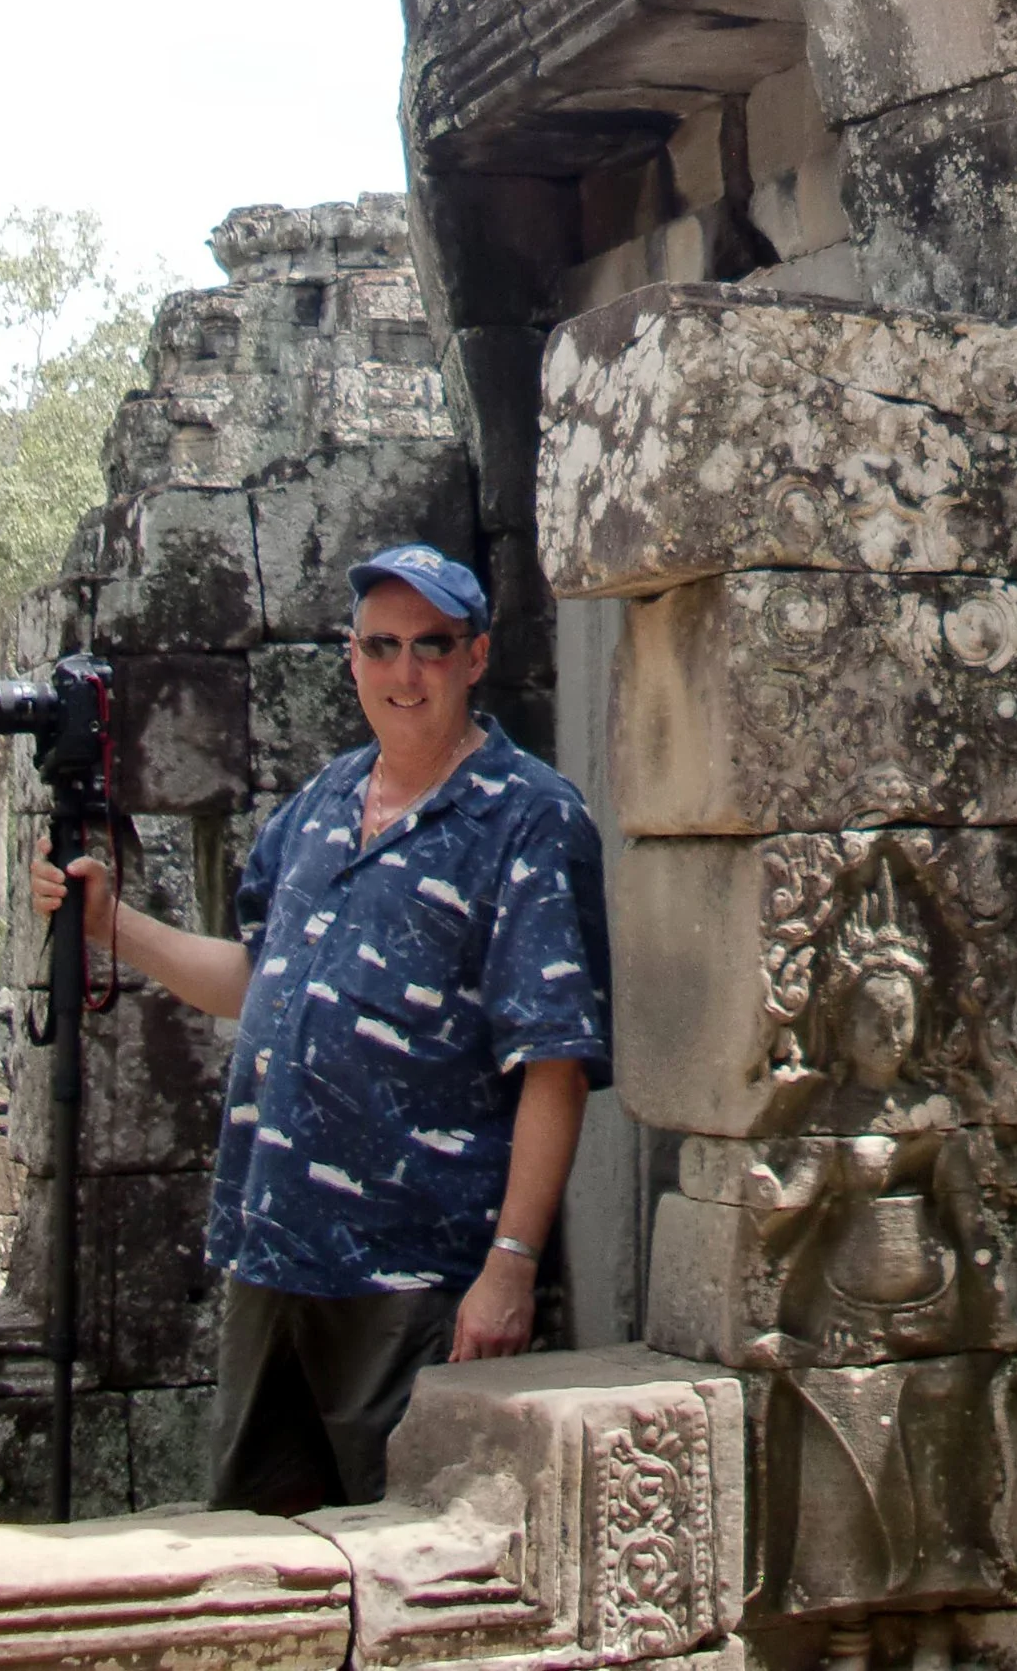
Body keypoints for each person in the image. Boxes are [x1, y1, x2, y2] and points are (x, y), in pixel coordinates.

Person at [31, 542, 611, 1512]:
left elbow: (553, 1062)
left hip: (415, 1272)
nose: (404, 671)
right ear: (352, 656)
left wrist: (509, 1267)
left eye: (431, 645)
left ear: (474, 656)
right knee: (258, 1554)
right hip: (273, 1255)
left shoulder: (529, 819)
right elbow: (255, 979)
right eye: (381, 646)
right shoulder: (322, 804)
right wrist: (111, 926)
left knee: (415, 1551)